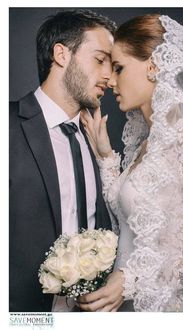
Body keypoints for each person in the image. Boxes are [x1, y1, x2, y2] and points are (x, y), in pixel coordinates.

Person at [78, 14, 183, 312]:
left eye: (119, 68)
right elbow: (128, 217)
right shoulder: (144, 145)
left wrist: (134, 279)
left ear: (154, 66)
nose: (111, 80)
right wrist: (107, 158)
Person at [9, 9, 117, 312]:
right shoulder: (9, 126)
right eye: (99, 60)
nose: (108, 75)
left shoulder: (95, 140)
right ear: (61, 54)